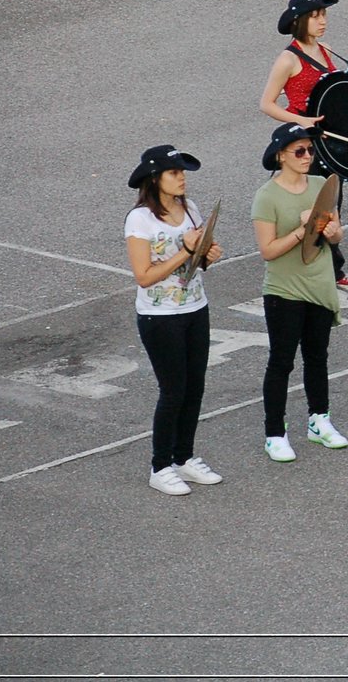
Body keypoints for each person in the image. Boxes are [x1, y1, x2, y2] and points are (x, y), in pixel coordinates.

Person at [125, 145, 224, 496]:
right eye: (174, 172)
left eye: (182, 171)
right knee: (173, 391)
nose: (182, 177)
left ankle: (184, 457)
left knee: (194, 387)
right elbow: (144, 276)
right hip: (159, 316)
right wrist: (184, 249)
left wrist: (207, 255)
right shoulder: (140, 220)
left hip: (195, 308)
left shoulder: (191, 209)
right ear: (155, 179)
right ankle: (160, 465)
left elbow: (195, 260)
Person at [252, 122, 348, 462]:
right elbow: (268, 250)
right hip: (284, 291)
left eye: (310, 150)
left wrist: (333, 231)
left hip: (319, 285)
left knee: (317, 357)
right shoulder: (267, 197)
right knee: (281, 362)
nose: (308, 156)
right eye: (300, 151)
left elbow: (335, 236)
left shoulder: (322, 186)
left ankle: (319, 420)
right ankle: (274, 433)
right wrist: (303, 229)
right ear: (281, 156)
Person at [259, 0, 348, 293]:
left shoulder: (325, 49)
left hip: (329, 140)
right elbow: (266, 103)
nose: (322, 21)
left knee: (331, 202)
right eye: (315, 16)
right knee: (313, 204)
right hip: (303, 142)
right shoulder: (287, 59)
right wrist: (300, 120)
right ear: (299, 21)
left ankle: (327, 267)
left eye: (324, 15)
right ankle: (326, 271)